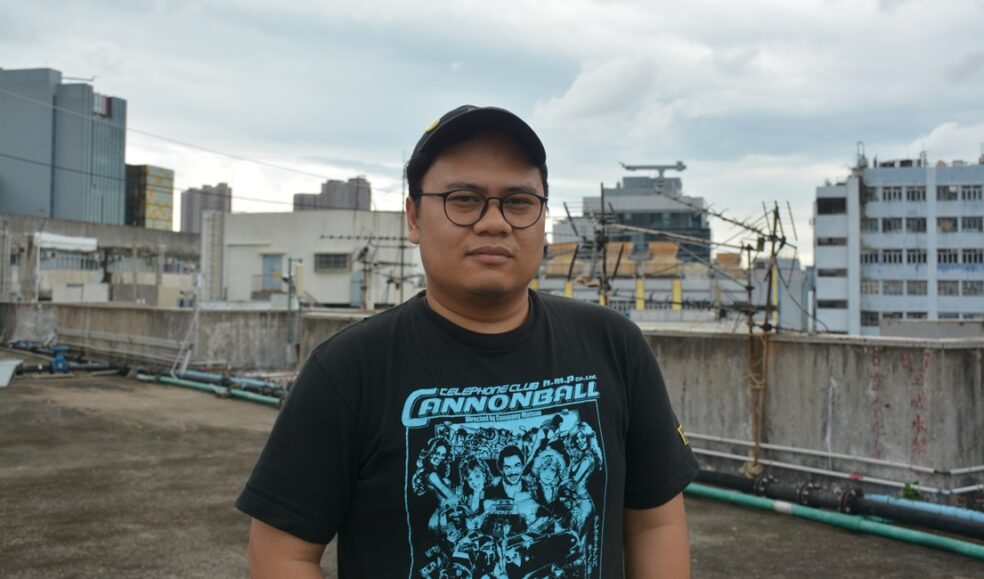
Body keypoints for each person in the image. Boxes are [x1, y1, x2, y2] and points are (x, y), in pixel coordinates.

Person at [237, 105, 700, 578]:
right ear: (414, 218)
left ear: (542, 219)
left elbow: (654, 524)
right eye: (463, 199)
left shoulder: (614, 345)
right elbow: (281, 554)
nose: (494, 222)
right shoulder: (349, 368)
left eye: (519, 201)